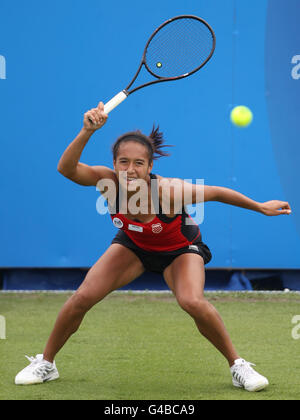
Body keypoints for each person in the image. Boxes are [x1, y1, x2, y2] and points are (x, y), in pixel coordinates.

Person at [15, 102, 292, 391]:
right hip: (133, 246)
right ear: (114, 164)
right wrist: (87, 131)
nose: (130, 169)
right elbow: (66, 169)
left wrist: (260, 207)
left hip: (180, 250)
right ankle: (46, 363)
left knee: (192, 302)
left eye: (138, 163)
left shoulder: (170, 192)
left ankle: (238, 366)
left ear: (150, 166)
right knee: (82, 297)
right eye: (123, 162)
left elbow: (218, 193)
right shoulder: (106, 182)